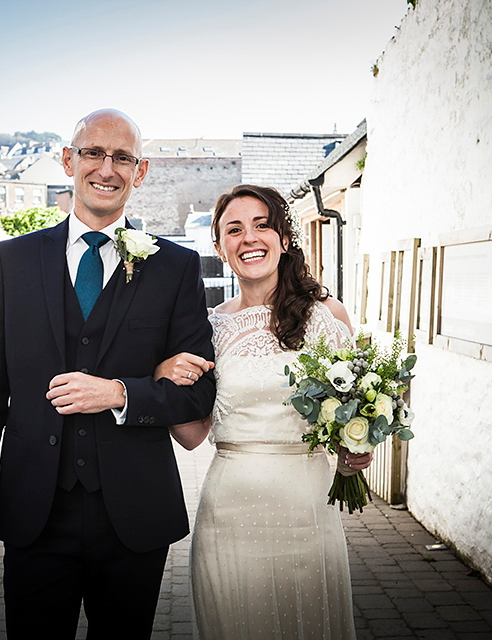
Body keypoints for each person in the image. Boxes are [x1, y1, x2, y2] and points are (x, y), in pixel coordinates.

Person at [0, 109, 216, 638]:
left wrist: (121, 394)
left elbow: (197, 395)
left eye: (122, 158)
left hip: (134, 512)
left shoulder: (175, 267)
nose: (107, 168)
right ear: (69, 160)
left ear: (140, 173)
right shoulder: (13, 260)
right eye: (94, 153)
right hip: (35, 510)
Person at [156, 184, 372, 639]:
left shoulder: (327, 316)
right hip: (228, 513)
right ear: (219, 247)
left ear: (284, 239)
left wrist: (358, 452)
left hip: (307, 509)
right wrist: (163, 378)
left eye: (262, 225)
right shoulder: (209, 327)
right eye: (234, 230)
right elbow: (193, 435)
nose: (249, 238)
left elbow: (351, 415)